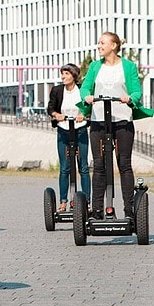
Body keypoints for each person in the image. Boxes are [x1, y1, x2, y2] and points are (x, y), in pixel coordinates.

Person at [79, 32, 153, 219]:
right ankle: (97, 211)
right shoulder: (95, 66)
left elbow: (136, 91)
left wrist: (131, 98)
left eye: (102, 43)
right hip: (98, 121)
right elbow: (85, 87)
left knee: (124, 165)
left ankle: (129, 211)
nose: (99, 46)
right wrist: (87, 96)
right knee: (99, 165)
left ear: (113, 45)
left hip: (122, 120)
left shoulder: (128, 66)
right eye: (99, 43)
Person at [46, 63, 90, 212]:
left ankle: (86, 201)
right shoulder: (58, 91)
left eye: (66, 74)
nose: (63, 77)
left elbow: (89, 107)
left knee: (83, 167)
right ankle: (63, 202)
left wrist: (83, 115)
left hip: (80, 130)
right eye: (62, 74)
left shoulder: (82, 90)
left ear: (74, 75)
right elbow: (50, 107)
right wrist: (57, 115)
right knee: (64, 168)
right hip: (64, 130)